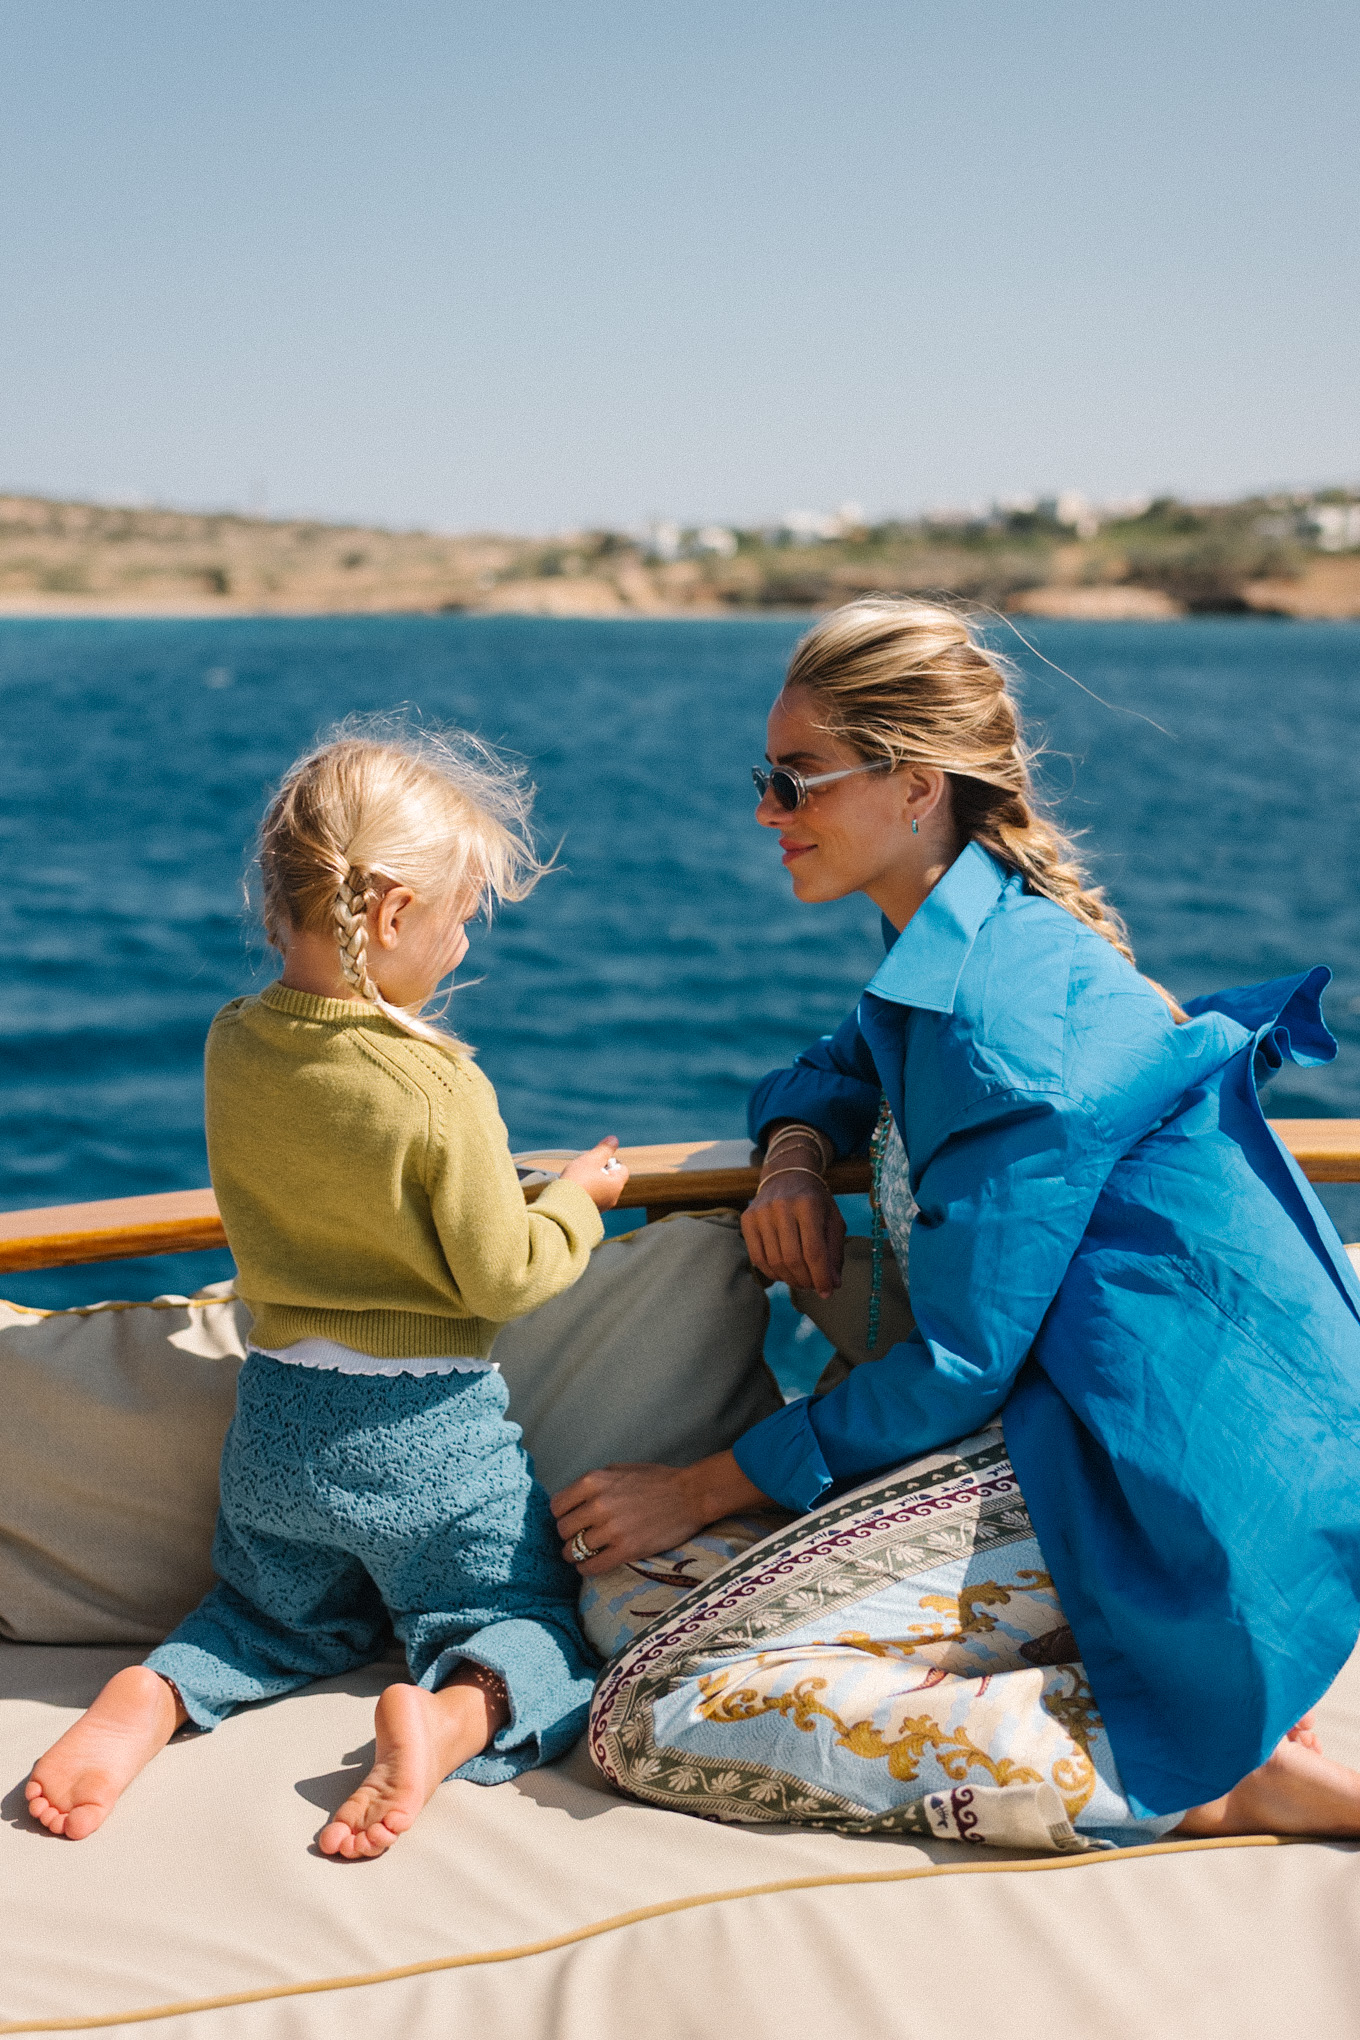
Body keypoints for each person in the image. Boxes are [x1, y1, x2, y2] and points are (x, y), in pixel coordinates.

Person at [555, 598, 1360, 1852]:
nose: (766, 810)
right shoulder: (955, 954)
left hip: (1161, 1477)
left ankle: (1190, 1774)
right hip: (1084, 1430)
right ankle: (1114, 1680)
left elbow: (954, 1367)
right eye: (763, 778)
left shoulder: (1000, 1018)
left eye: (794, 780)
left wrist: (706, 1482)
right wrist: (791, 1160)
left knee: (648, 1706)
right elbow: (833, 1063)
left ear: (915, 785)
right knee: (618, 1593)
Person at [27, 722, 628, 1853]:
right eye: (458, 917)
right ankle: (448, 1719)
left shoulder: (234, 1043)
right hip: (427, 1440)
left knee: (262, 1620)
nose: (459, 942)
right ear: (394, 914)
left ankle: (153, 1696)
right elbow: (503, 1270)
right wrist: (576, 1203)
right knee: (527, 1624)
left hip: (279, 1431)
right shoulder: (437, 1084)